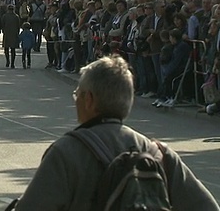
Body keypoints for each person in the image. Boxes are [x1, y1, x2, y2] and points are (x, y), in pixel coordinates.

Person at [13, 55, 219, 211]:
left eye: (78, 94)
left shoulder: (66, 153)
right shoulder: (159, 155)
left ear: (89, 99)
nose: (75, 99)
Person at [1, 4, 20, 69]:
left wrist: (3, 30)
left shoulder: (5, 16)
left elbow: (2, 24)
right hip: (14, 34)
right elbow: (18, 26)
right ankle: (12, 63)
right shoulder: (16, 16)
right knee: (13, 49)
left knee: (6, 48)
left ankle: (7, 61)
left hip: (6, 33)